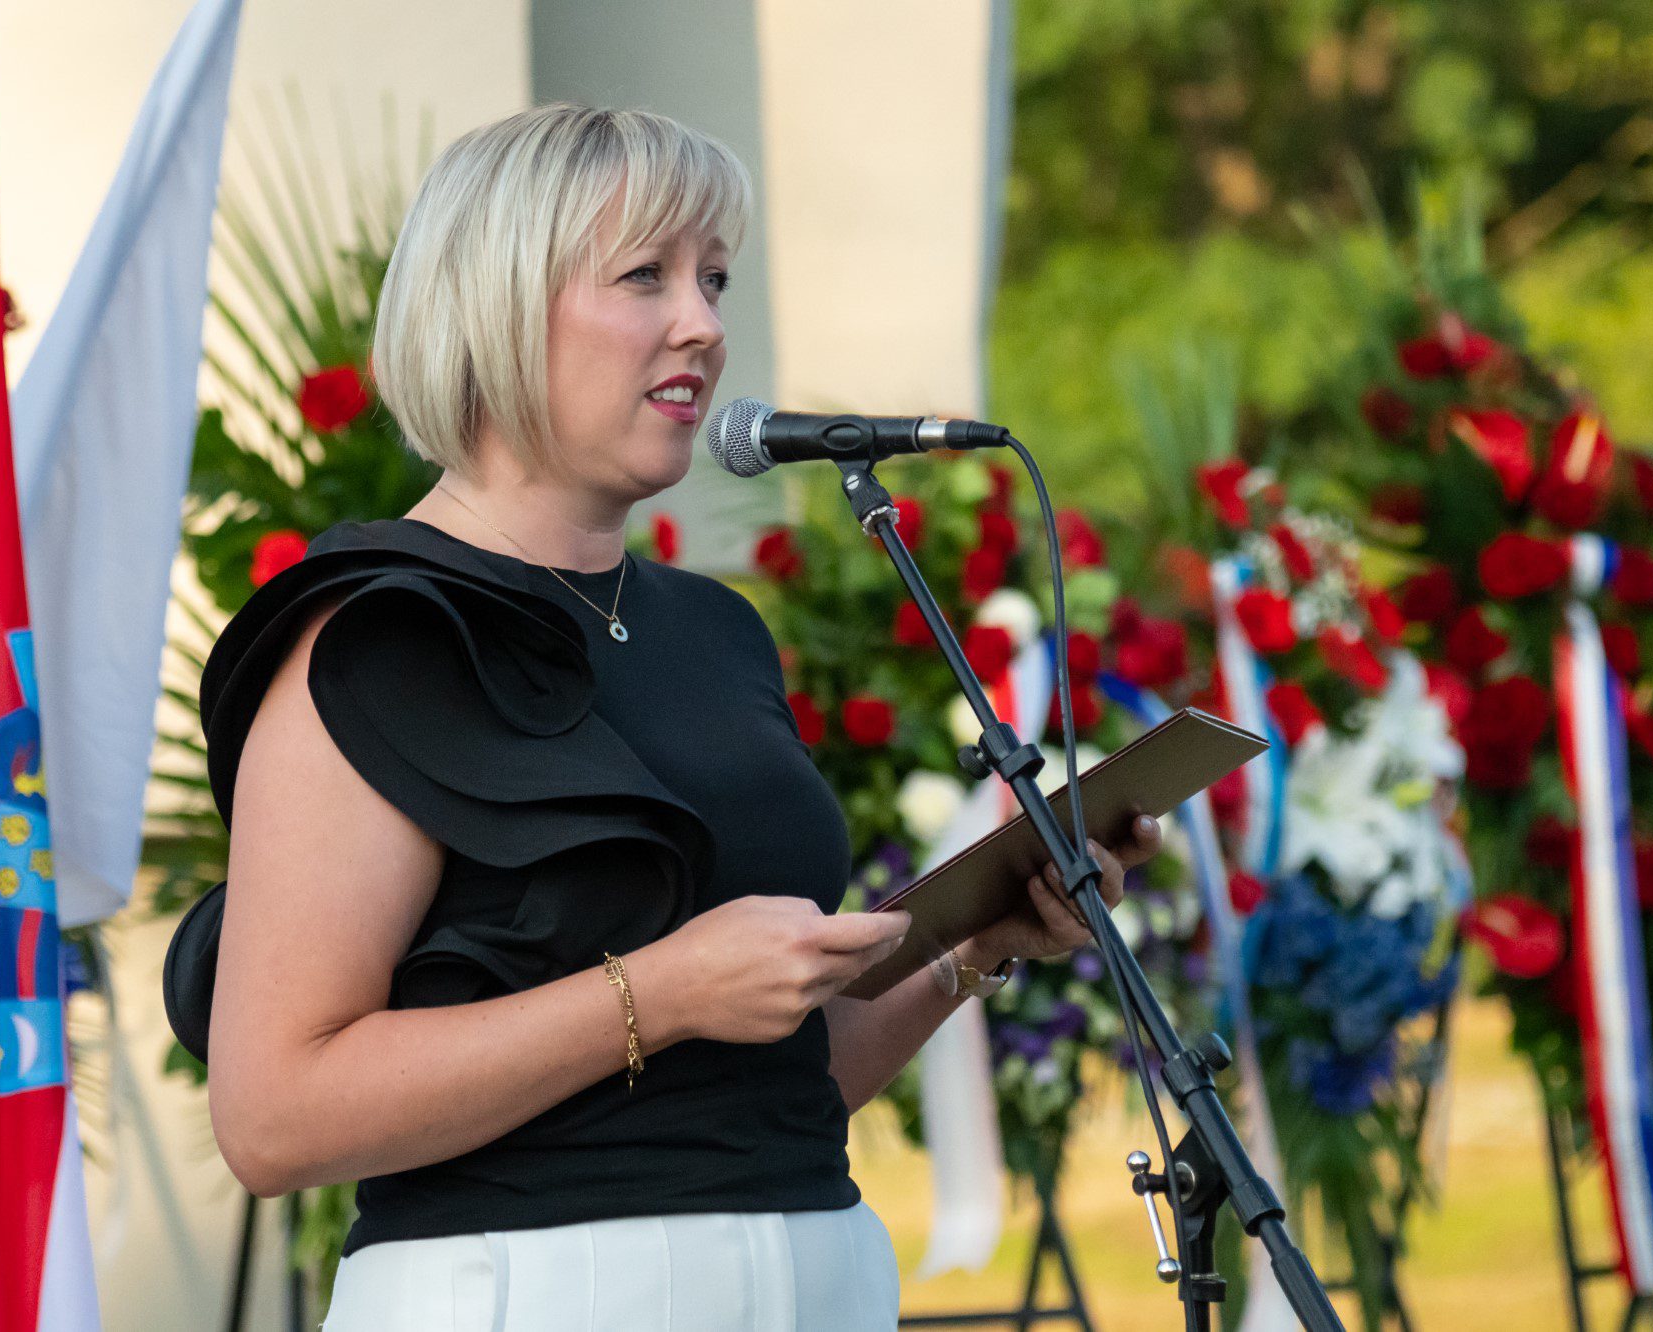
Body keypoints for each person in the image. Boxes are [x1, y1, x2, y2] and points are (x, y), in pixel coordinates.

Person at [164, 103, 1162, 1331]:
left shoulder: (714, 631)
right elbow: (274, 1117)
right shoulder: (379, 637)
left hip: (817, 1279)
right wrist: (659, 992)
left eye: (714, 279)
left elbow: (769, 1087)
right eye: (644, 276)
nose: (702, 323)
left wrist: (978, 943)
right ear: (495, 307)